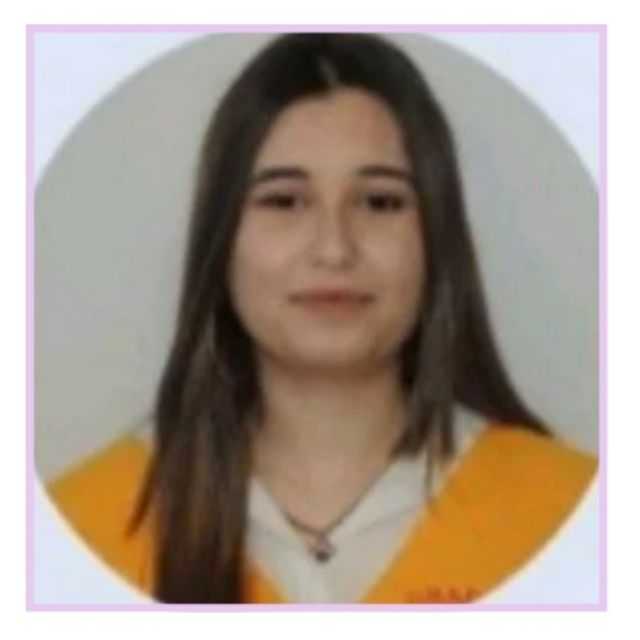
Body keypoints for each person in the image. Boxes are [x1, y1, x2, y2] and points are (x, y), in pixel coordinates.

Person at [48, 33, 597, 604]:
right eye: (284, 201)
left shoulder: (577, 514)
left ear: (437, 238)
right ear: (222, 239)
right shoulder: (75, 529)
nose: (334, 249)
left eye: (380, 202)